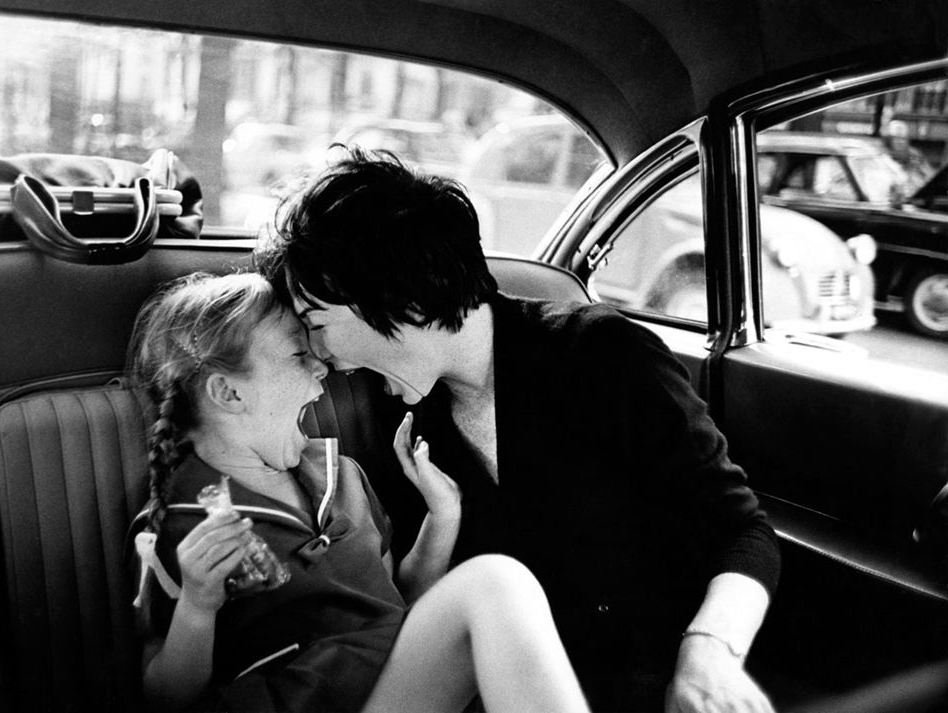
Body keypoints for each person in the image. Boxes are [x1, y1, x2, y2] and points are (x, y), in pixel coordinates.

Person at [256, 148, 782, 713]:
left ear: (394, 294)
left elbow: (742, 530)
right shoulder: (399, 416)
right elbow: (419, 614)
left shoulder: (601, 355)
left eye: (317, 323)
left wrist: (709, 652)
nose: (320, 356)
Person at [126, 270, 590, 713]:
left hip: (385, 682)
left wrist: (443, 517)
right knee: (494, 583)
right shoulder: (177, 527)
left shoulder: (342, 477)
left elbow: (397, 606)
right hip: (299, 697)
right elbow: (165, 699)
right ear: (229, 394)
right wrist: (198, 605)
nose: (321, 367)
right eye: (297, 354)